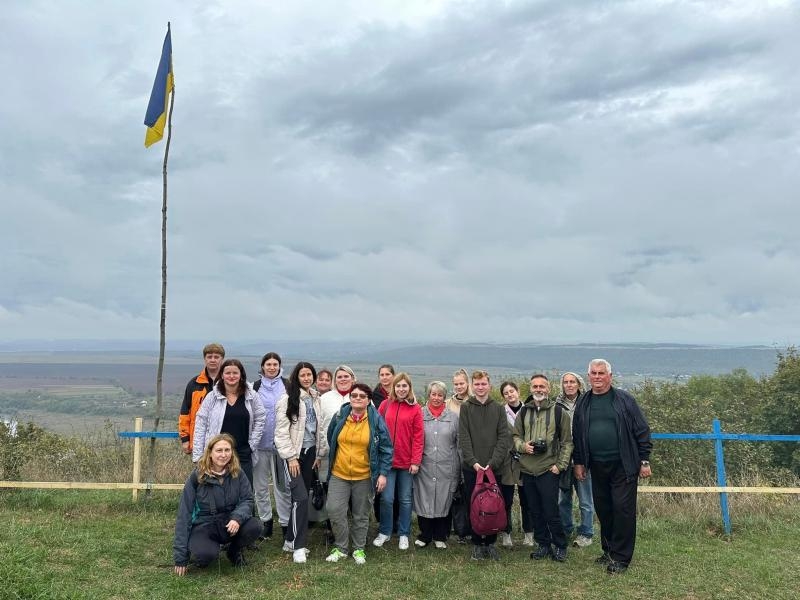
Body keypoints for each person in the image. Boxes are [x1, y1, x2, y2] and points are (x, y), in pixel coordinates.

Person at [572, 359, 652, 574]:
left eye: (601, 373)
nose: (597, 377)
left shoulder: (624, 400)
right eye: (593, 373)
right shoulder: (584, 402)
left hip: (623, 465)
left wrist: (644, 460)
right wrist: (579, 462)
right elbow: (578, 435)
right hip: (596, 466)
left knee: (622, 510)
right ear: (588, 376)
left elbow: (642, 430)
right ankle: (608, 549)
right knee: (604, 509)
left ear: (610, 375)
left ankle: (621, 558)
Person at [174, 434, 263, 574]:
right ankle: (204, 550)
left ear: (232, 452)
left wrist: (237, 518)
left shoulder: (238, 473)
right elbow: (184, 515)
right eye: (219, 450)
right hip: (205, 525)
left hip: (229, 524)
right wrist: (181, 558)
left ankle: (234, 551)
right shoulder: (196, 477)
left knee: (255, 526)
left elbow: (248, 499)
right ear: (210, 453)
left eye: (227, 450)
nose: (223, 455)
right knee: (205, 556)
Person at [325, 382, 393, 565]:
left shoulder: (376, 420)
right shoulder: (339, 416)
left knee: (361, 514)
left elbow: (386, 448)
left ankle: (359, 549)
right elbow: (331, 438)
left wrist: (383, 473)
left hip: (364, 475)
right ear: (350, 397)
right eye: (354, 395)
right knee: (335, 510)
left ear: (368, 400)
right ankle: (341, 548)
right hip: (339, 474)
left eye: (362, 396)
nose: (357, 399)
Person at [513, 374, 573, 562]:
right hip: (528, 469)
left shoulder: (558, 412)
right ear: (530, 389)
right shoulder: (523, 412)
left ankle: (560, 545)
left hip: (548, 469)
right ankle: (543, 544)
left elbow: (567, 442)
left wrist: (560, 466)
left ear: (548, 389)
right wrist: (524, 447)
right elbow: (514, 436)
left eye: (542, 386)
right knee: (535, 511)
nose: (538, 390)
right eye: (535, 386)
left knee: (551, 511)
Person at [274, 362, 325, 563]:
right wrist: (291, 457)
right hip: (294, 456)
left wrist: (319, 454)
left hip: (311, 454)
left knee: (301, 498)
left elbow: (318, 430)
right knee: (301, 498)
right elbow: (281, 433)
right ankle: (298, 546)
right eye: (303, 375)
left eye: (309, 375)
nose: (306, 378)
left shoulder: (315, 398)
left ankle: (289, 541)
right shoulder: (288, 400)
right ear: (296, 377)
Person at [458, 370, 510, 560]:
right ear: (473, 386)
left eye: (483, 384)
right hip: (473, 468)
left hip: (494, 468)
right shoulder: (466, 408)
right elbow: (463, 437)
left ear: (489, 385)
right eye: (477, 384)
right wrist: (474, 463)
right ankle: (477, 544)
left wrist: (492, 463)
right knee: (474, 506)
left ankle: (490, 543)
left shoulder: (498, 408)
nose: (480, 387)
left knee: (493, 505)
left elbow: (503, 437)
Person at [192, 359, 266, 488]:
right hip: (218, 453)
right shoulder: (212, 397)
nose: (231, 376)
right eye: (228, 373)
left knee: (245, 492)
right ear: (222, 375)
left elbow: (260, 418)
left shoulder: (251, 396)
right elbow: (201, 424)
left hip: (243, 452)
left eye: (235, 373)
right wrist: (198, 456)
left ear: (241, 375)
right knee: (217, 491)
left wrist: (252, 445)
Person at [374, 373, 424, 551]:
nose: (401, 389)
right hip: (387, 462)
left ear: (409, 388)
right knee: (386, 499)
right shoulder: (385, 405)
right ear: (393, 388)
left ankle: (404, 533)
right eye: (398, 386)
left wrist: (415, 461)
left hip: (407, 463)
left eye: (405, 386)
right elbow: (376, 430)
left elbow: (419, 437)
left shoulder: (415, 408)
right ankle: (385, 531)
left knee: (404, 499)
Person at [413, 381, 460, 549]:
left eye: (440, 395)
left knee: (443, 499)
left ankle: (440, 536)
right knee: (423, 498)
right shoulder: (419, 414)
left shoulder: (453, 418)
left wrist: (458, 470)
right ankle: (425, 535)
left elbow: (459, 444)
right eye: (433, 394)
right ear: (428, 395)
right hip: (424, 465)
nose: (436, 398)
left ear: (444, 397)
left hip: (446, 466)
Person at [251, 352, 290, 542]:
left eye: (275, 364)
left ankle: (285, 523)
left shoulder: (288, 386)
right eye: (268, 364)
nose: (272, 367)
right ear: (263, 366)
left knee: (282, 488)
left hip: (281, 447)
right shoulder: (254, 387)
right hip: (260, 446)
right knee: (260, 488)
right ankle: (265, 523)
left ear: (280, 366)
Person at [556, 372, 595, 548]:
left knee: (585, 500)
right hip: (563, 459)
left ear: (579, 384)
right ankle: (566, 529)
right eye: (566, 382)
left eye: (572, 382)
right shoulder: (555, 404)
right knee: (563, 499)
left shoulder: (588, 402)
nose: (569, 385)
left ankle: (586, 532)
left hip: (583, 458)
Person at [498, 381, 534, 547]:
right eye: (506, 393)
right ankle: (506, 533)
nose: (510, 395)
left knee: (527, 498)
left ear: (518, 391)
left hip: (525, 459)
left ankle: (529, 533)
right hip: (506, 461)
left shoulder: (528, 410)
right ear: (503, 396)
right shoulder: (500, 412)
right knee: (506, 499)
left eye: (512, 391)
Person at [178, 343, 224, 455]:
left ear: (222, 359)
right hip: (200, 440)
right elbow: (185, 412)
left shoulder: (229, 382)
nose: (213, 360)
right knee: (202, 472)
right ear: (204, 359)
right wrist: (185, 439)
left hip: (224, 440)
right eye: (209, 357)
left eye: (216, 357)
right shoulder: (194, 384)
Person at [317, 365, 357, 481]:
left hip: (354, 453)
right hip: (328, 452)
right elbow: (318, 426)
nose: (343, 379)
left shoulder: (361, 397)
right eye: (339, 377)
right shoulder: (324, 399)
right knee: (328, 486)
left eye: (346, 376)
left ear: (353, 378)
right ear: (335, 380)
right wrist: (319, 452)